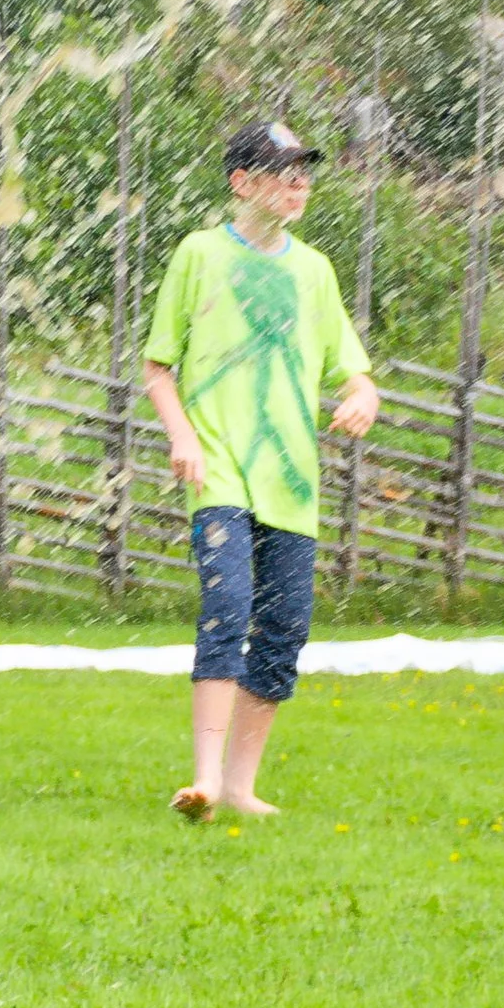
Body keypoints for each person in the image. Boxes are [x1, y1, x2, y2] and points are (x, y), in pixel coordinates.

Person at [141, 114, 379, 823]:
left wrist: (362, 394)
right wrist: (182, 435)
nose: (298, 182)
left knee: (284, 632)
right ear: (242, 183)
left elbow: (352, 369)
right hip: (218, 473)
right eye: (282, 171)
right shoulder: (199, 255)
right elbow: (158, 366)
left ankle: (242, 787)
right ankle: (205, 781)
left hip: (291, 484)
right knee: (229, 610)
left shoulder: (314, 271)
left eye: (305, 170)